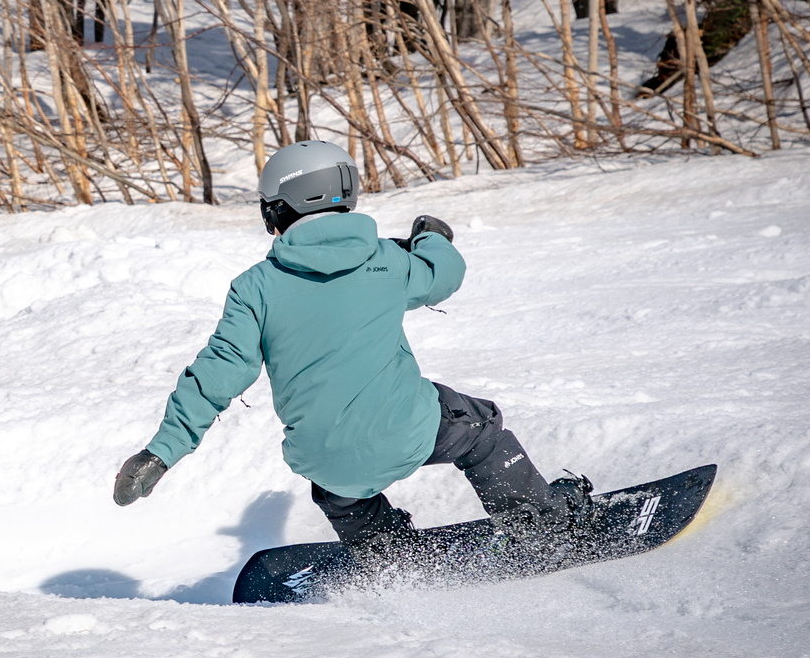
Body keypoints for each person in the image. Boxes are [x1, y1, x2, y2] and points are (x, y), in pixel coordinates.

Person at [112, 140, 591, 564]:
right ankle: (543, 530)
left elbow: (216, 374)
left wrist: (160, 453)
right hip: (411, 431)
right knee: (479, 428)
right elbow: (442, 276)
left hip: (325, 459)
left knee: (336, 483)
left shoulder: (254, 288)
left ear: (279, 210)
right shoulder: (386, 259)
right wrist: (432, 237)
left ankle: (388, 557)